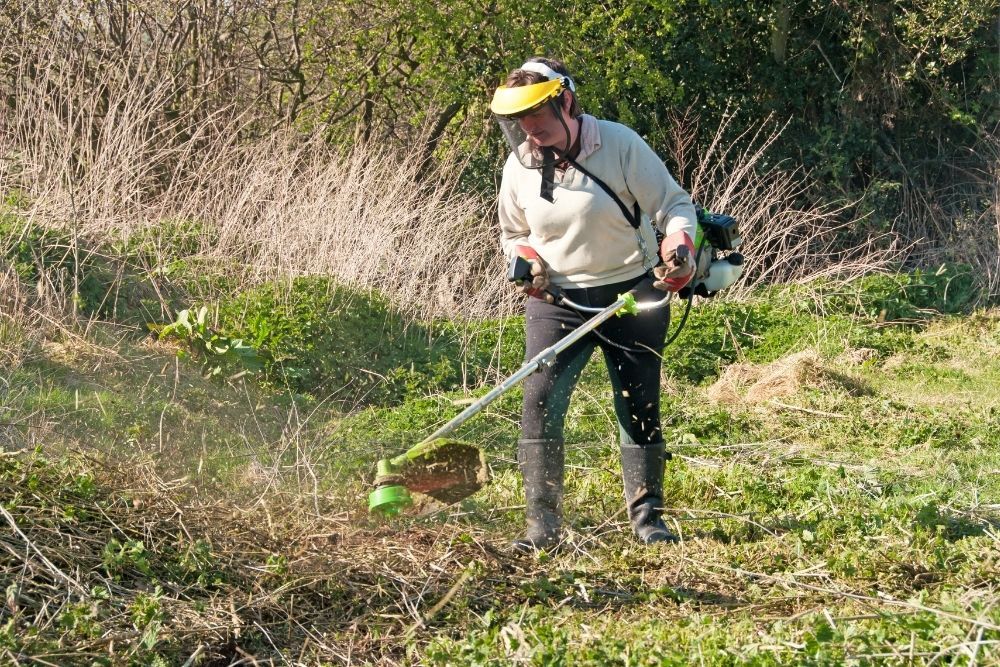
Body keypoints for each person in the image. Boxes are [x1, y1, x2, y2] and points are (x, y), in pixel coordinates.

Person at [490, 57, 698, 552]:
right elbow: (513, 233)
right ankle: (542, 526)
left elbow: (673, 206)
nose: (528, 129)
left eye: (537, 116)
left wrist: (679, 248)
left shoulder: (621, 144)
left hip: (632, 293)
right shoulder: (518, 164)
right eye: (519, 120)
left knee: (638, 402)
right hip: (557, 300)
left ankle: (648, 521)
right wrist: (525, 262)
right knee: (539, 401)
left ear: (565, 102)